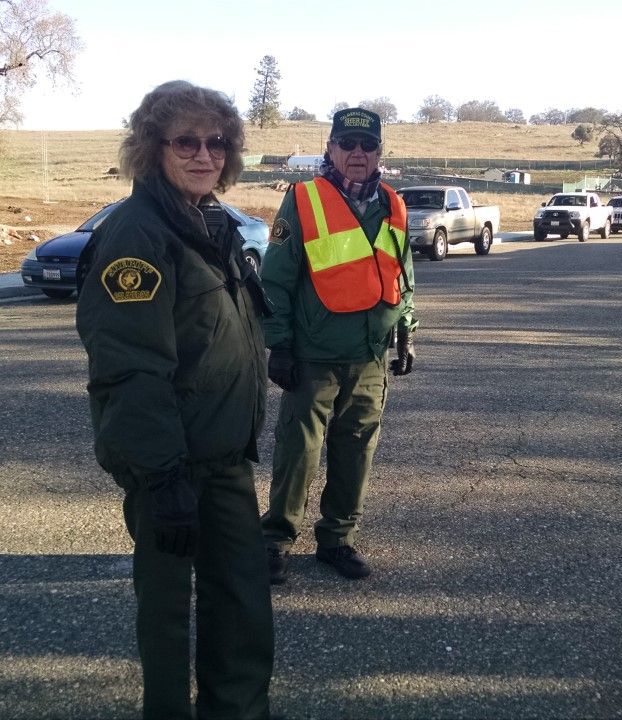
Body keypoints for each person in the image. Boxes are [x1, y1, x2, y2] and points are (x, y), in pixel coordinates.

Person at [75, 80, 273, 720]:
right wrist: (161, 478)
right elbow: (130, 368)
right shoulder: (138, 236)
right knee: (167, 619)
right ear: (152, 148)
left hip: (224, 457)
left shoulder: (211, 223)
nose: (204, 154)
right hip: (169, 466)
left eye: (217, 142)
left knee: (241, 605)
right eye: (185, 141)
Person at [260, 107, 418, 584]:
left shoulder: (393, 205)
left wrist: (407, 330)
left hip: (370, 357)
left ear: (379, 153)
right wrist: (279, 345)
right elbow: (276, 279)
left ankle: (337, 540)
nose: (357, 153)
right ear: (330, 149)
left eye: (367, 145)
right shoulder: (303, 200)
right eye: (347, 143)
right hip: (313, 358)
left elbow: (402, 275)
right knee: (298, 453)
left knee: (356, 452)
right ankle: (275, 541)